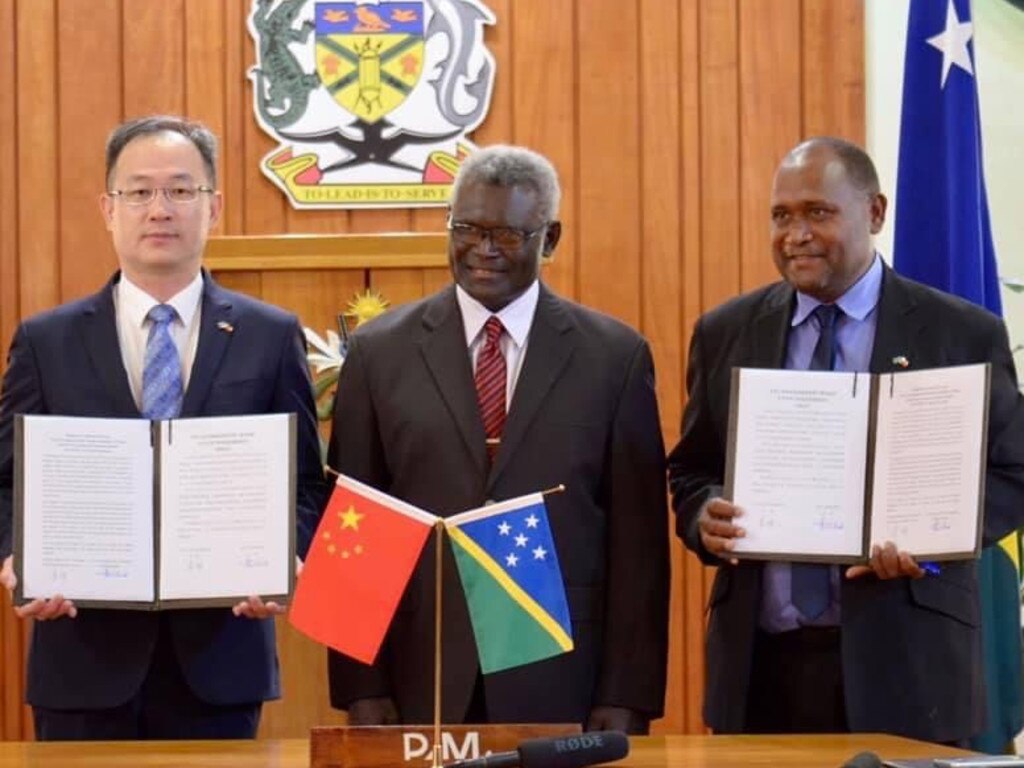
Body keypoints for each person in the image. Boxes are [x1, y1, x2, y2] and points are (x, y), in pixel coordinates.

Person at [667, 136, 1024, 744]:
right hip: (762, 674)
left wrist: (932, 537)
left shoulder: (961, 333)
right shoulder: (726, 331)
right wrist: (704, 515)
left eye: (818, 212)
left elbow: (1012, 473)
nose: (795, 234)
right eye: (782, 216)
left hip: (910, 672)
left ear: (875, 213)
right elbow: (692, 471)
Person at [0, 115, 327, 740]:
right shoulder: (47, 341)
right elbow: (5, 482)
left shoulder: (270, 334)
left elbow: (304, 483)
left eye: (181, 190)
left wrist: (286, 557)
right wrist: (17, 557)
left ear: (214, 207)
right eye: (139, 191)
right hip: (81, 658)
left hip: (221, 659)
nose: (160, 209)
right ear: (108, 208)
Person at [326, 145, 669, 733]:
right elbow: (355, 526)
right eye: (468, 229)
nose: (483, 251)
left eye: (508, 234)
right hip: (420, 673)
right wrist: (362, 687)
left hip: (562, 675)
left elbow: (638, 546)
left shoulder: (614, 357)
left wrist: (626, 696)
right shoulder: (379, 352)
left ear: (550, 238)